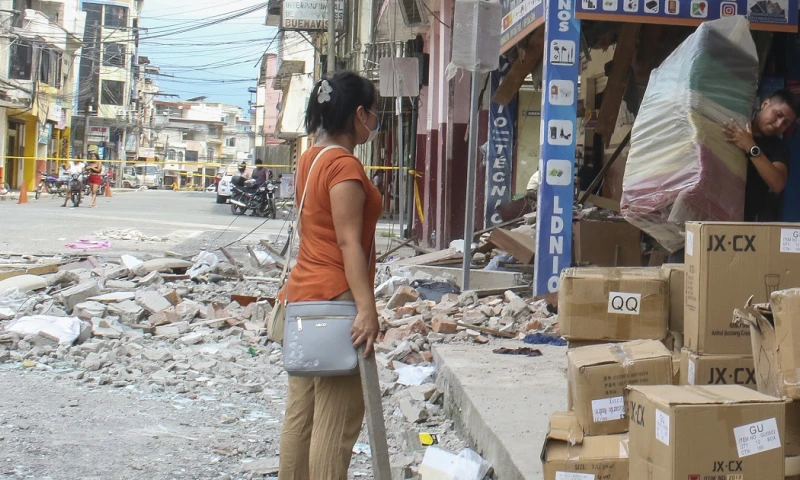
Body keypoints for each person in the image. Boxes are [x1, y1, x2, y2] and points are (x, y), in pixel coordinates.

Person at [277, 71, 382, 480]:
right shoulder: (344, 168)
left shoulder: (310, 158)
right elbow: (348, 244)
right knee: (336, 425)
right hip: (337, 301)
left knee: (301, 415)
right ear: (358, 114)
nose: (375, 122)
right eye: (374, 114)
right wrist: (367, 308)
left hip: (302, 297)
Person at [724, 89, 799, 222]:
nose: (779, 124)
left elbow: (778, 183)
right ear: (765, 104)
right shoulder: (736, 125)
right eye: (778, 114)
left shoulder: (778, 147)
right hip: (717, 208)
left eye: (786, 123)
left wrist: (750, 147)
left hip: (750, 221)